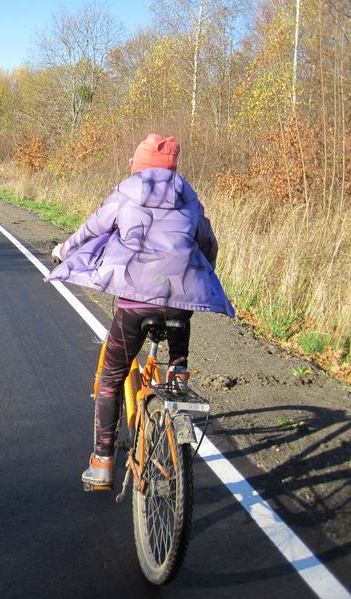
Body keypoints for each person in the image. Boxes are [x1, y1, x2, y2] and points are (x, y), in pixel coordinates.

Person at [48, 133, 234, 489]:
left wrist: (64, 251)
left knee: (112, 375)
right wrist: (202, 273)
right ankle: (178, 373)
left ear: (137, 164)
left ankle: (103, 463)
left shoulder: (128, 191)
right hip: (181, 295)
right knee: (180, 312)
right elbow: (208, 244)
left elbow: (92, 229)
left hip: (136, 301)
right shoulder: (187, 195)